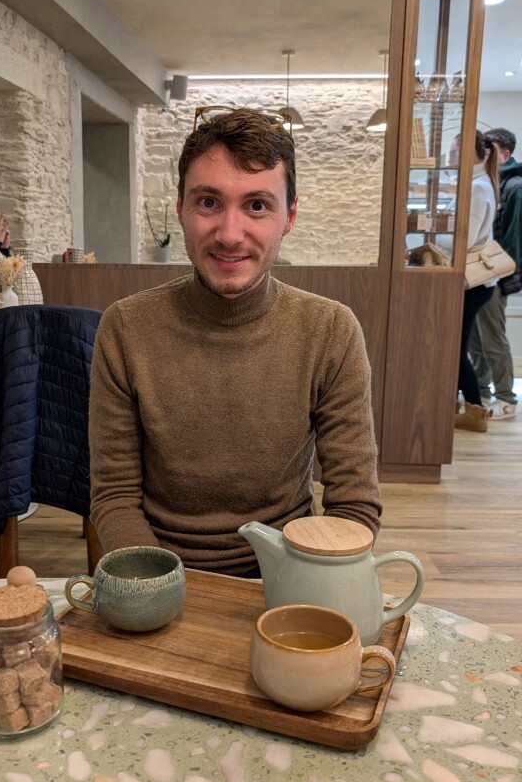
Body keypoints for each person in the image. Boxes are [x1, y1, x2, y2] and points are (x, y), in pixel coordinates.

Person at [89, 108, 382, 576]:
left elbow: (354, 504)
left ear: (289, 216)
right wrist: (160, 589)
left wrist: (305, 585)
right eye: (208, 202)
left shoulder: (331, 331)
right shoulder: (126, 328)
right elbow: (114, 497)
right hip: (157, 571)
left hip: (292, 567)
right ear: (182, 208)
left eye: (257, 206)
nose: (229, 235)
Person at [468, 127, 522, 420]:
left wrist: (506, 278)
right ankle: (484, 389)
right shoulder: (494, 183)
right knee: (479, 337)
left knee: (492, 338)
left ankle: (505, 397)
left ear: (505, 154)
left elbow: (514, 239)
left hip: (494, 274)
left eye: (493, 150)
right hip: (484, 273)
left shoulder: (513, 186)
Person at [455, 131, 500, 433]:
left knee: (455, 349)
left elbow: (465, 240)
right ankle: (470, 407)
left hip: (474, 282)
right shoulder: (481, 183)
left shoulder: (477, 188)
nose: (452, 154)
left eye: (456, 148)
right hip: (480, 283)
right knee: (458, 346)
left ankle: (475, 411)